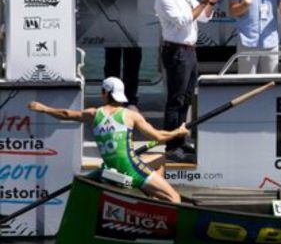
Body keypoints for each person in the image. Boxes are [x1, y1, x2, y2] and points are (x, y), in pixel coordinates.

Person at [28, 78, 187, 203]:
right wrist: (178, 132)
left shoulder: (94, 114)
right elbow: (158, 137)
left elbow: (66, 114)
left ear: (105, 93)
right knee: (175, 198)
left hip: (112, 173)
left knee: (157, 163)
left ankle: (151, 199)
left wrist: (43, 108)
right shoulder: (130, 115)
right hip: (133, 173)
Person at [154, 0, 223, 163]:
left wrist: (210, 2)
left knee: (186, 98)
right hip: (176, 50)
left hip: (190, 50)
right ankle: (171, 146)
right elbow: (183, 21)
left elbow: (202, 17)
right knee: (175, 99)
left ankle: (182, 139)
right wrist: (202, 2)